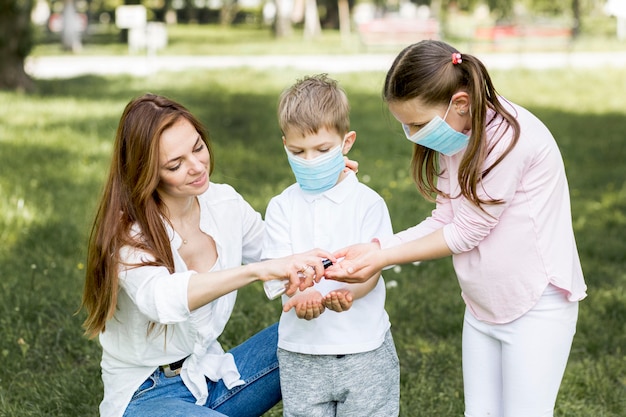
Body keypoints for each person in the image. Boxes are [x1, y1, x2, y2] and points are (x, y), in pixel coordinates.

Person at [324, 40, 587, 417]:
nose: (411, 133)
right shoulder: (460, 132)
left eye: (416, 123)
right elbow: (445, 218)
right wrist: (377, 246)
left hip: (535, 305)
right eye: (405, 124)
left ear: (459, 102)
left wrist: (382, 258)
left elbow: (466, 232)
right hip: (482, 304)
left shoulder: (509, 141)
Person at [80, 93, 335, 417]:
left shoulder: (224, 202)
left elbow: (282, 252)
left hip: (211, 374)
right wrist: (257, 271)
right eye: (176, 164)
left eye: (198, 147)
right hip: (147, 396)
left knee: (321, 329)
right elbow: (163, 301)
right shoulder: (128, 233)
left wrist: (330, 186)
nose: (198, 166)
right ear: (147, 172)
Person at [262, 74, 400, 417]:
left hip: (364, 349)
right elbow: (276, 274)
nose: (310, 160)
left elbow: (373, 268)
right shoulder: (282, 206)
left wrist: (354, 291)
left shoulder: (368, 203)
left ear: (346, 142)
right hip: (301, 352)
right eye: (298, 151)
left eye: (322, 150)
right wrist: (298, 294)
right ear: (284, 145)